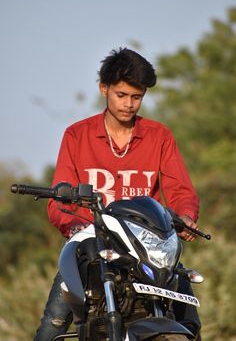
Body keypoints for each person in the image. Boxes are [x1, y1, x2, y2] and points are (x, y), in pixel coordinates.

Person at [33, 47, 201, 340]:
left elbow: (180, 188)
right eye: (121, 95)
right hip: (92, 240)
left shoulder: (159, 136)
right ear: (104, 89)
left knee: (190, 320)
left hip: (146, 246)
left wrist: (185, 216)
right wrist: (75, 228)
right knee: (54, 321)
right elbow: (60, 199)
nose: (129, 104)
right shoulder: (77, 135)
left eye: (136, 97)